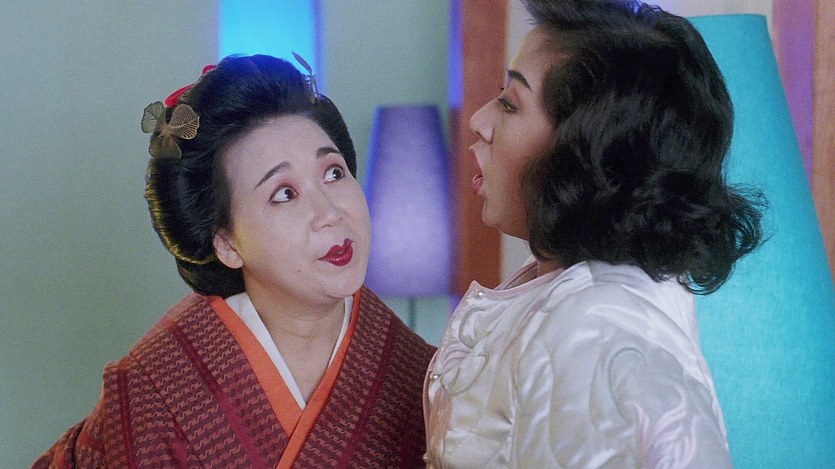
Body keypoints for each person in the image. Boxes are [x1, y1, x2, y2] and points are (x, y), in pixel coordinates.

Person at [34, 54, 435, 468]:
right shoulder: (156, 390)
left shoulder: (424, 377)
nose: (330, 213)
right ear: (227, 243)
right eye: (284, 193)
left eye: (333, 173)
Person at [424, 0, 766, 467]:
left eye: (510, 103)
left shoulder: (597, 330)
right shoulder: (566, 293)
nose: (479, 122)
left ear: (585, 154)